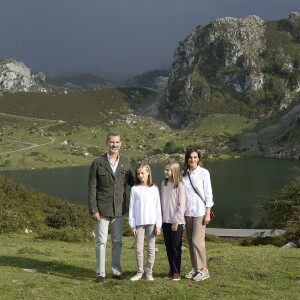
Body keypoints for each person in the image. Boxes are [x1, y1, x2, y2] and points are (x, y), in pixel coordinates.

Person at [88, 132, 134, 283]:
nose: (114, 145)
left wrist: (149, 183)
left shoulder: (126, 162)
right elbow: (92, 188)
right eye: (111, 142)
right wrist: (93, 209)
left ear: (121, 143)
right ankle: (100, 274)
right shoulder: (98, 162)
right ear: (107, 143)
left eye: (117, 142)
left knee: (117, 241)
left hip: (119, 209)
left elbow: (134, 182)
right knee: (101, 242)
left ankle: (116, 271)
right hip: (101, 210)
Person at [182, 147, 214, 281]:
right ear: (187, 159)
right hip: (187, 212)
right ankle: (195, 268)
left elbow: (208, 194)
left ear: (199, 159)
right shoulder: (183, 174)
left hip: (200, 212)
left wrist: (207, 213)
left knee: (197, 241)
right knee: (190, 241)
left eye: (195, 157)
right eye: (190, 157)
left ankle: (204, 269)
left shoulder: (204, 173)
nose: (192, 160)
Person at [128, 163, 162, 281]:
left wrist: (158, 225)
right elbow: (131, 208)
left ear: (148, 173)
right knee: (138, 248)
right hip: (139, 223)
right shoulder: (134, 189)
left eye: (143, 173)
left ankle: (149, 272)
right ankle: (139, 271)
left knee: (151, 247)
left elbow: (158, 207)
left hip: (152, 223)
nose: (140, 175)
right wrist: (132, 225)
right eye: (138, 173)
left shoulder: (154, 189)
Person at [160, 160, 186, 281]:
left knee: (176, 247)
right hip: (165, 221)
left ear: (174, 171)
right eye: (165, 169)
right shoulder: (163, 185)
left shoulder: (180, 185)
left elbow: (181, 205)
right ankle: (171, 270)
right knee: (169, 247)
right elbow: (161, 203)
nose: (165, 172)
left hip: (176, 222)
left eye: (168, 170)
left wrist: (176, 221)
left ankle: (177, 272)